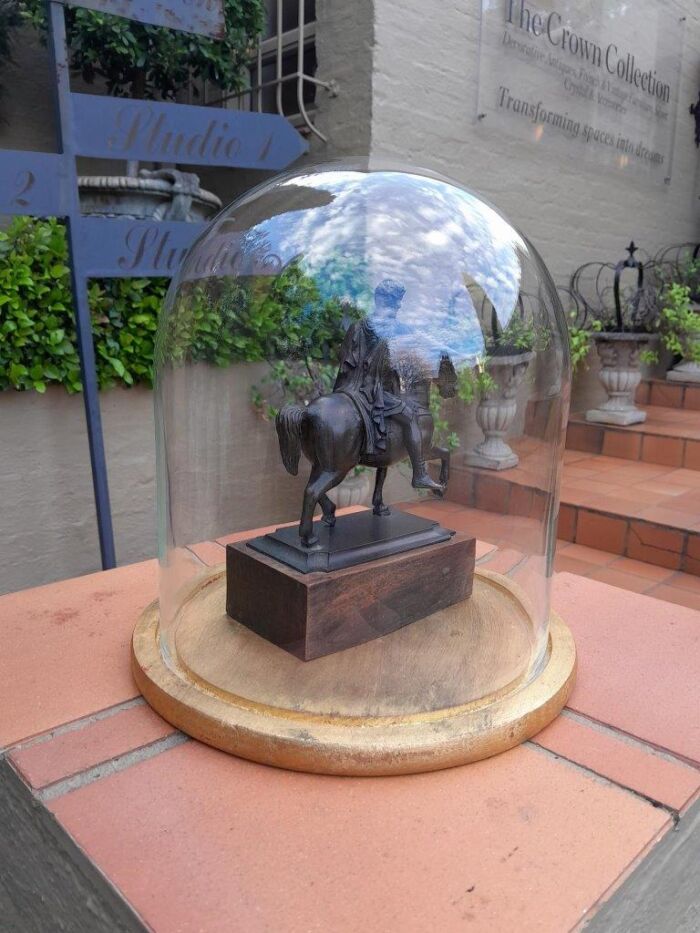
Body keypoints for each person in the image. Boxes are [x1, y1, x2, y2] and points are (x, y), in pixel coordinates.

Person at [333, 279, 444, 492]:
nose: (399, 307)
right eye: (396, 302)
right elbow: (412, 353)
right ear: (385, 301)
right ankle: (420, 474)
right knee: (410, 415)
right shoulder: (395, 328)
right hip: (375, 392)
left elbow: (344, 361)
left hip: (350, 389)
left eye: (399, 302)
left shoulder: (358, 326)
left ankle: (379, 495)